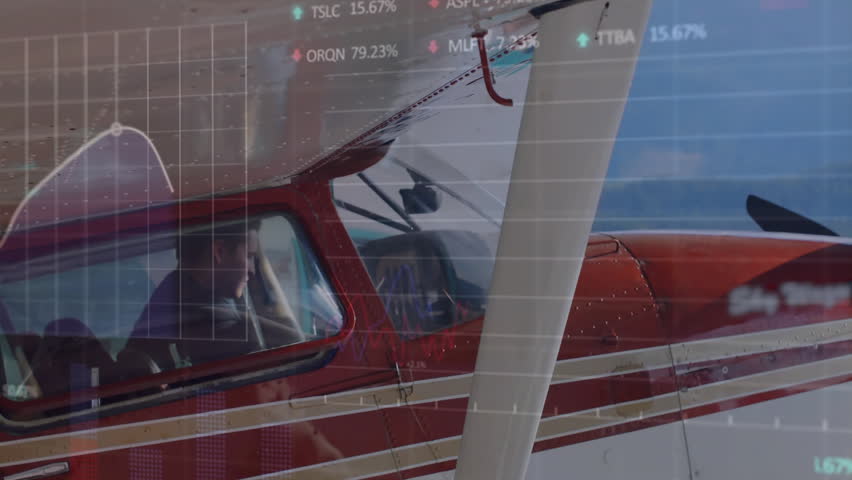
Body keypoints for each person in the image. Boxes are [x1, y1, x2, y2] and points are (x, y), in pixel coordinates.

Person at [124, 219, 302, 373]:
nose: (252, 270)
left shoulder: (179, 288)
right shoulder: (204, 314)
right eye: (249, 257)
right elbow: (293, 343)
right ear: (219, 251)